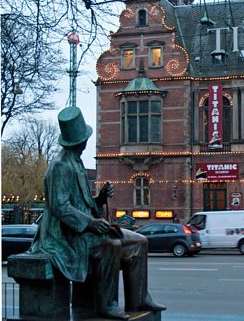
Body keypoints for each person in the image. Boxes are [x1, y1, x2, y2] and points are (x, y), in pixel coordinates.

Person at [29, 106, 165, 320]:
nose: (86, 141)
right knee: (110, 245)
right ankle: (106, 305)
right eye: (85, 138)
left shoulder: (77, 163)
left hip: (83, 230)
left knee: (140, 242)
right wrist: (91, 223)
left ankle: (138, 298)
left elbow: (81, 204)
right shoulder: (60, 166)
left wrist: (99, 199)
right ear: (78, 141)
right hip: (65, 236)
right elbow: (60, 207)